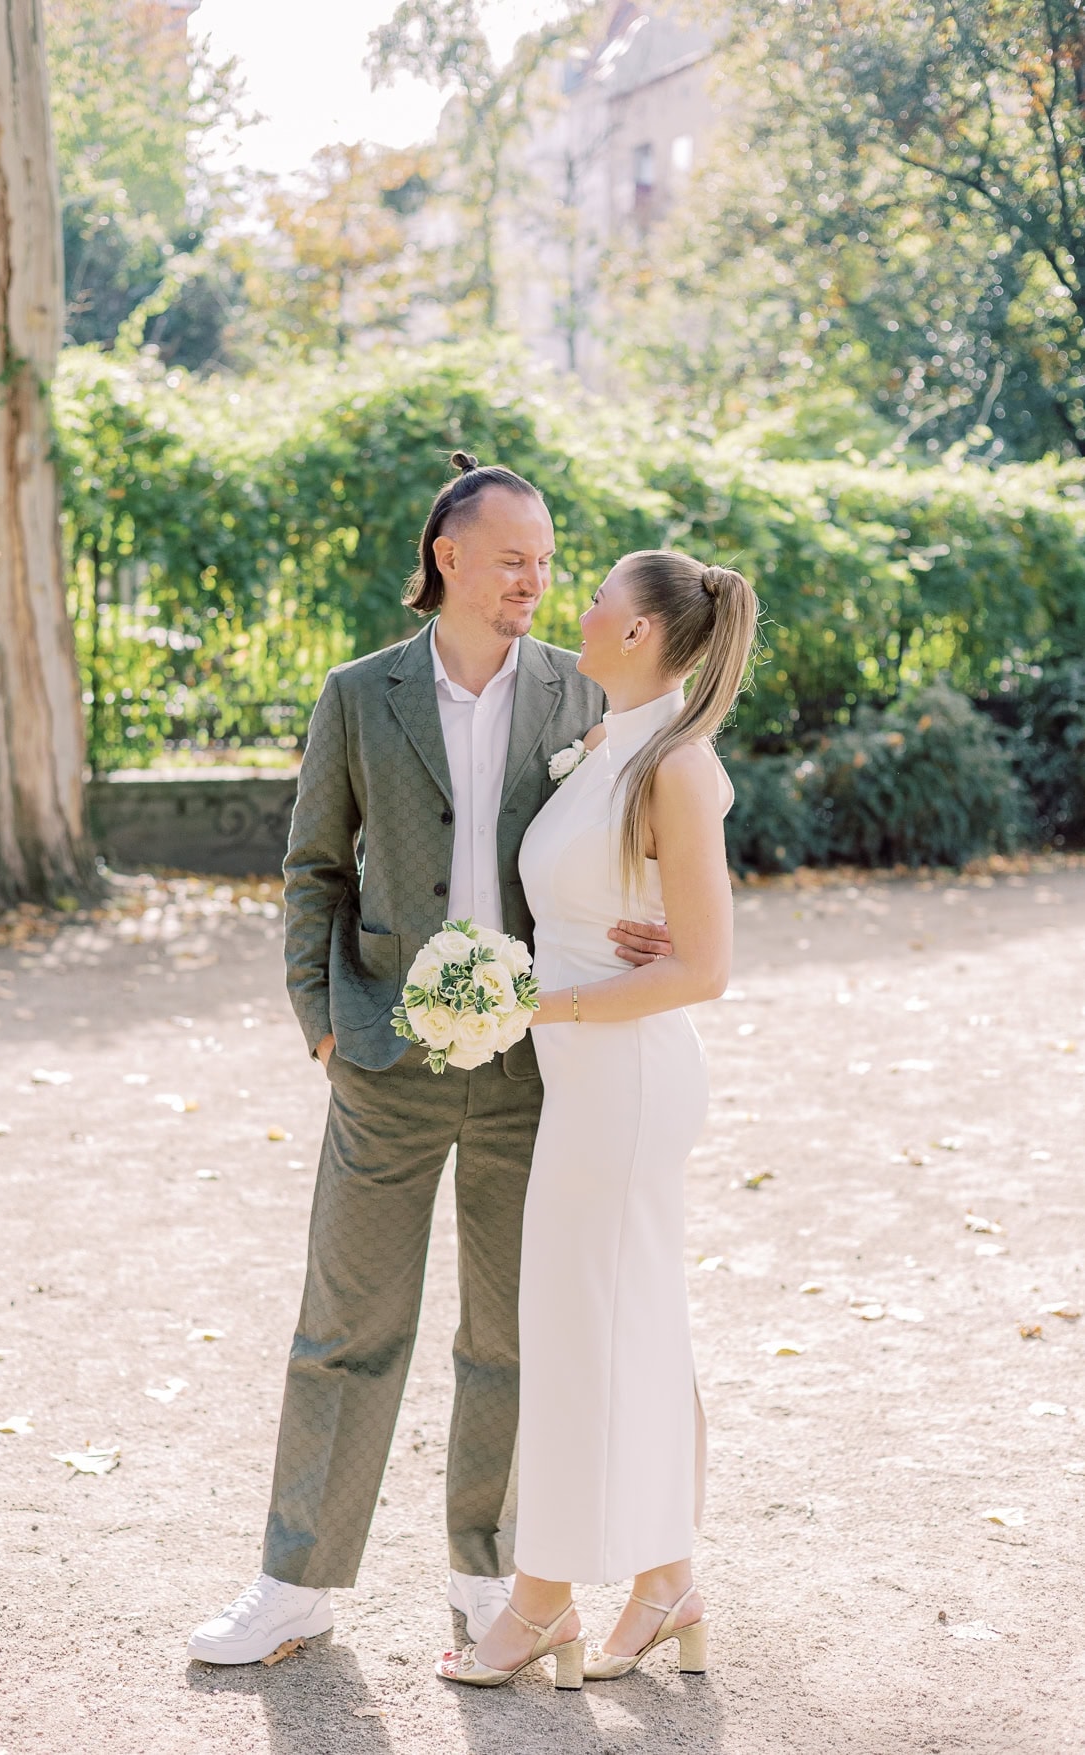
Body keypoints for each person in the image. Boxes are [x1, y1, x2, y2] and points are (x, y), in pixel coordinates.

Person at [186, 456, 674, 1665]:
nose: (535, 581)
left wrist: (658, 921)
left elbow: (645, 835)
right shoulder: (360, 694)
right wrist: (320, 1018)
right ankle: (295, 1586)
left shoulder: (581, 694)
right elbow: (314, 867)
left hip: (533, 1067)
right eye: (513, 560)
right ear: (448, 558)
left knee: (511, 1334)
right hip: (383, 1060)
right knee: (344, 1327)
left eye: (547, 561)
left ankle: (488, 1575)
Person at [436, 548, 758, 1690]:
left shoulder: (676, 763)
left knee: (578, 1333)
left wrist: (535, 1005)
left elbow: (706, 967)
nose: (575, 606)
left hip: (626, 1081)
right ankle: (667, 1585)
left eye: (596, 596)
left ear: (638, 632)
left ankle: (539, 1603)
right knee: (625, 1328)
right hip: (586, 1072)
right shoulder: (606, 745)